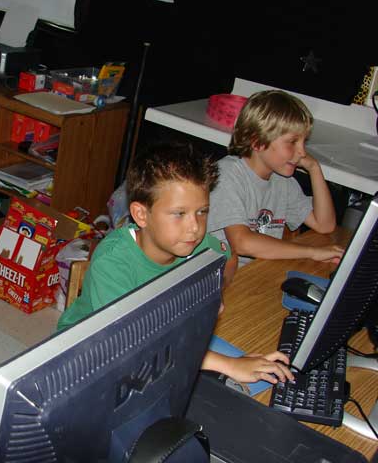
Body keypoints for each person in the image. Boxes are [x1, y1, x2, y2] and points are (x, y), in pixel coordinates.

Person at [57, 143, 294, 385]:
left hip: (162, 337)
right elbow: (132, 345)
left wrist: (215, 291)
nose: (195, 227)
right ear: (141, 215)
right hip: (83, 358)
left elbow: (229, 258)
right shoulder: (112, 261)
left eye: (202, 212)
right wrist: (229, 364)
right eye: (179, 214)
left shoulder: (196, 244)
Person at [207, 90, 344, 265]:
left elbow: (325, 225)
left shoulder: (282, 181)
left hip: (259, 269)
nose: (302, 152)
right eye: (293, 142)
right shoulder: (227, 175)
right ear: (257, 142)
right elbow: (242, 243)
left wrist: (314, 168)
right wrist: (312, 252)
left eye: (304, 142)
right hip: (225, 275)